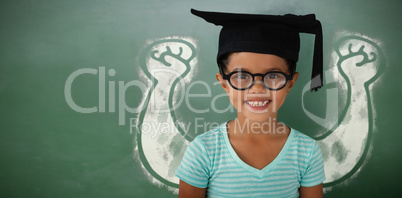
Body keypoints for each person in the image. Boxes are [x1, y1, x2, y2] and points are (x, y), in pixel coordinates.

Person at [175, 9, 326, 198]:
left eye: (272, 75)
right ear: (224, 84)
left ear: (290, 83)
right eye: (240, 76)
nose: (257, 89)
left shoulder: (307, 152)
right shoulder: (204, 151)